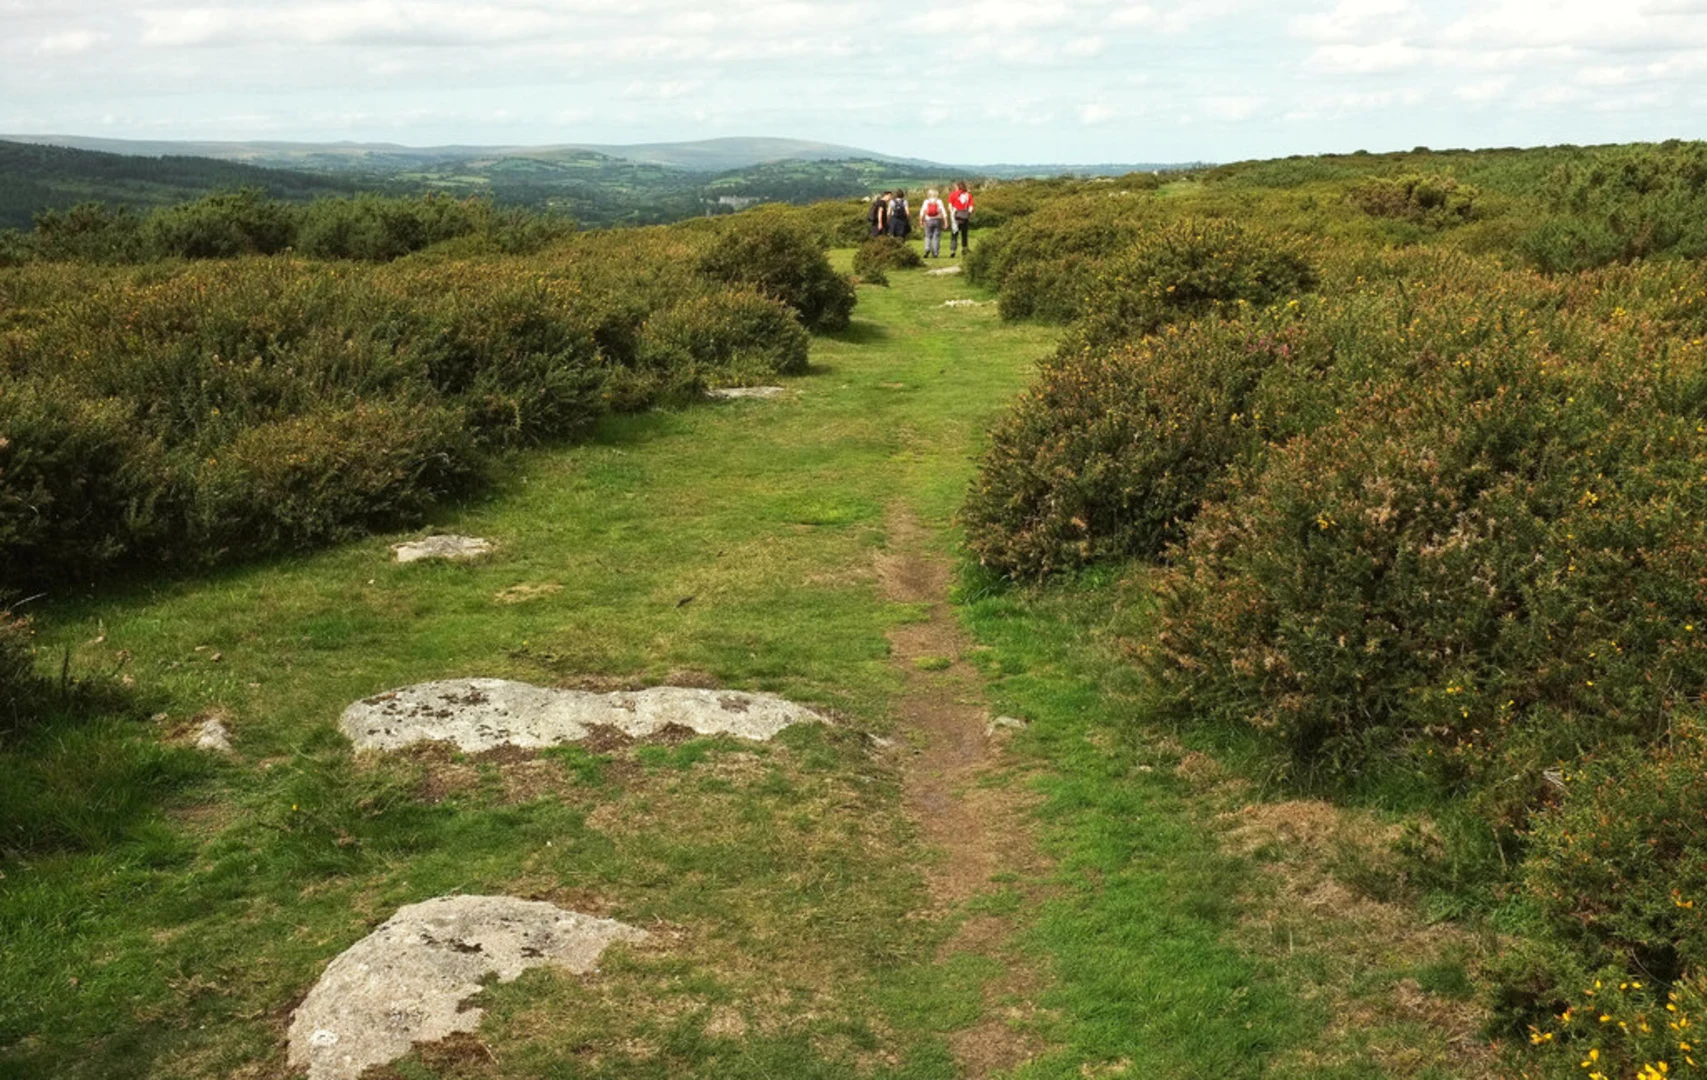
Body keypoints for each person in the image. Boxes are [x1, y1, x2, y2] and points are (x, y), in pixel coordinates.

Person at [918, 188, 947, 258]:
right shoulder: (939, 201)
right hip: (937, 220)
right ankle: (935, 252)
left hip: (928, 220)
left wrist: (921, 221)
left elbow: (922, 212)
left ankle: (927, 248)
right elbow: (943, 212)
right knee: (936, 236)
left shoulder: (926, 201)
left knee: (928, 236)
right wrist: (945, 222)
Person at [948, 180, 974, 257]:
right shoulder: (968, 195)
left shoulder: (952, 195)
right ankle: (964, 249)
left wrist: (952, 214)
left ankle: (953, 250)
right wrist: (968, 214)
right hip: (964, 216)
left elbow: (950, 206)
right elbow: (971, 207)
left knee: (954, 234)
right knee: (964, 234)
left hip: (955, 216)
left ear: (957, 186)